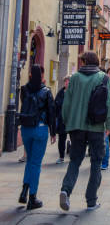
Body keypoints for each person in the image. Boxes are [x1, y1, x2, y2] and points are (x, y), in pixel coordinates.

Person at [59, 51, 110, 212]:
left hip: (76, 126)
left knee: (75, 160)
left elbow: (66, 103)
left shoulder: (74, 78)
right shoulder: (103, 77)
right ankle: (91, 201)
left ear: (84, 62)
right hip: (96, 126)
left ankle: (65, 190)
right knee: (96, 162)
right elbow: (108, 104)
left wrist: (68, 122)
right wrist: (109, 126)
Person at [18, 64, 56, 210]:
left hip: (26, 129)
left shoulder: (24, 89)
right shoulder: (46, 91)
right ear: (41, 75)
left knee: (29, 161)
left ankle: (24, 191)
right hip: (40, 129)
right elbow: (51, 112)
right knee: (35, 163)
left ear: (30, 75)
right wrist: (53, 132)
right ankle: (32, 198)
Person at [55, 76, 70, 164]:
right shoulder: (60, 93)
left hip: (72, 119)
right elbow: (56, 104)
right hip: (62, 119)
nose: (67, 83)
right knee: (61, 138)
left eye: (68, 82)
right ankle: (61, 157)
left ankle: (74, 156)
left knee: (74, 138)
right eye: (66, 82)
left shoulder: (74, 92)